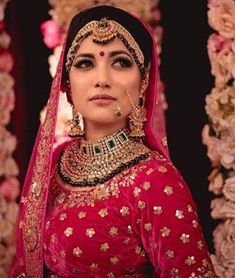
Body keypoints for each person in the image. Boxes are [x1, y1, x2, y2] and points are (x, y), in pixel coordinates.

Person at [10, 5, 216, 278]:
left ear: (143, 81)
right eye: (85, 63)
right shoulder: (55, 163)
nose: (102, 80)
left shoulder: (155, 179)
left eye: (120, 62)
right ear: (66, 84)